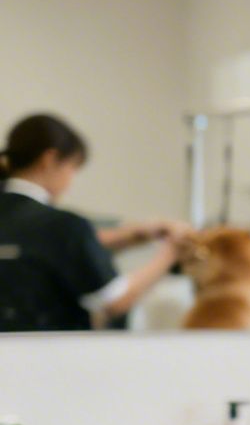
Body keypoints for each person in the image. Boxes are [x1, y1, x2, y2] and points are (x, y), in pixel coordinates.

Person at [0, 113, 186, 331]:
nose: (70, 182)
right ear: (49, 159)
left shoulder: (32, 224)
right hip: (47, 358)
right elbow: (116, 301)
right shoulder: (62, 226)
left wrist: (134, 235)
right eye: (72, 168)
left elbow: (46, 248)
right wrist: (170, 253)